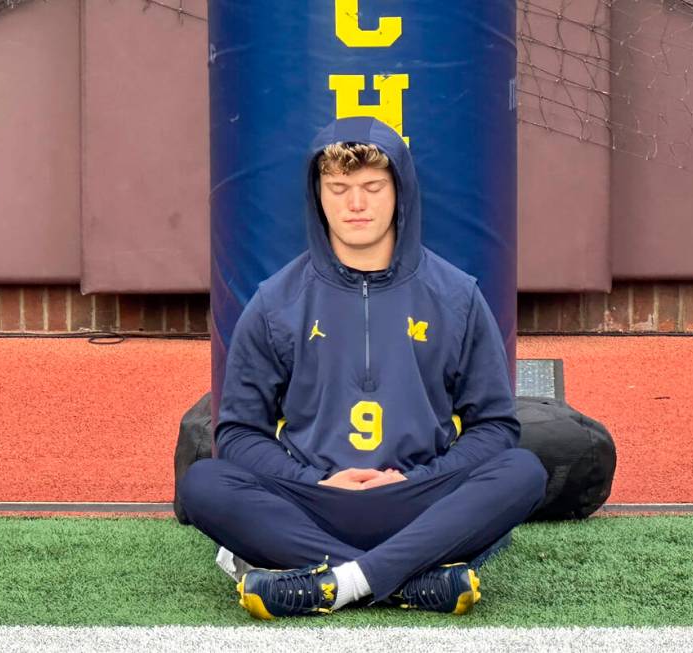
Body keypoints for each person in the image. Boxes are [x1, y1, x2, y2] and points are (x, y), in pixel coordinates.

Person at [180, 116, 547, 620]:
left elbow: (496, 427)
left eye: (373, 187)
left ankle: (331, 580)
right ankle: (407, 580)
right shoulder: (276, 302)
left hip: (416, 495)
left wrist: (422, 477)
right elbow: (241, 432)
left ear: (401, 192)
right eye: (339, 188)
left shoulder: (456, 295)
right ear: (318, 196)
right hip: (315, 499)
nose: (356, 204)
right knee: (204, 484)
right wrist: (310, 480)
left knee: (522, 472)